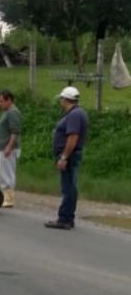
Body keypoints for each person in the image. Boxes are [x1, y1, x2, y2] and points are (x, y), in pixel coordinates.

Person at [45, 86, 89, 230]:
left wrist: (64, 157)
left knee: (69, 187)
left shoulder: (75, 115)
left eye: (61, 99)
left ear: (66, 99)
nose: (60, 102)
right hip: (70, 155)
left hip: (69, 156)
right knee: (69, 186)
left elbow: (72, 137)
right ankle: (67, 218)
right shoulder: (75, 113)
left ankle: (65, 218)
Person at [0, 89, 21, 207]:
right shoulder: (7, 111)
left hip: (8, 148)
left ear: (9, 100)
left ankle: (9, 198)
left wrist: (9, 147)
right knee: (2, 172)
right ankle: (5, 196)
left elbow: (15, 131)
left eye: (1, 101)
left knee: (7, 173)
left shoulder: (12, 112)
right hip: (3, 147)